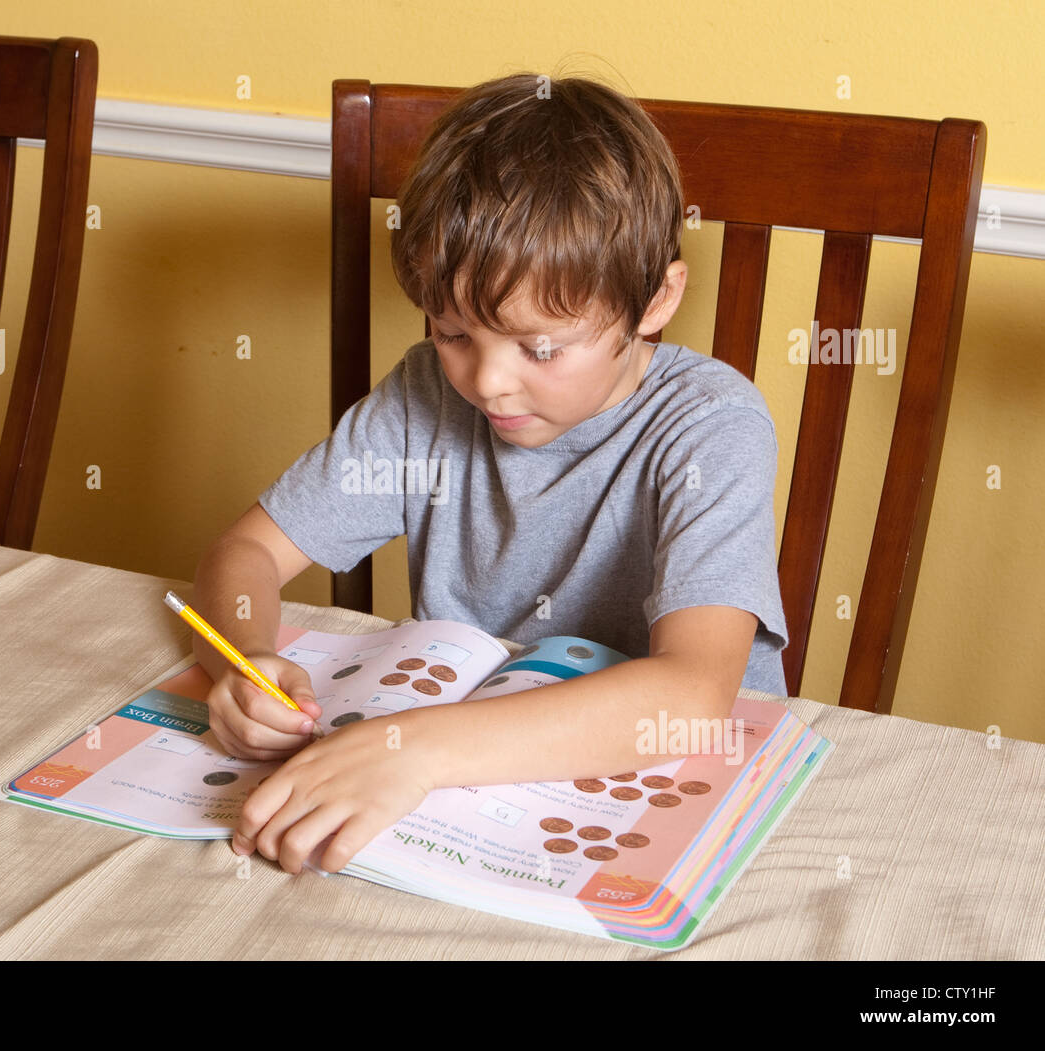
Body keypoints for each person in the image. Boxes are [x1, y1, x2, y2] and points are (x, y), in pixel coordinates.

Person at [190, 72, 788, 876]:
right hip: (470, 800)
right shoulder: (424, 396)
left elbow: (690, 700)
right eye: (451, 330)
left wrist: (414, 749)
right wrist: (246, 655)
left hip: (668, 800)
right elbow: (247, 553)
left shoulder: (712, 425)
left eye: (540, 347)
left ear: (654, 300)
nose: (488, 382)